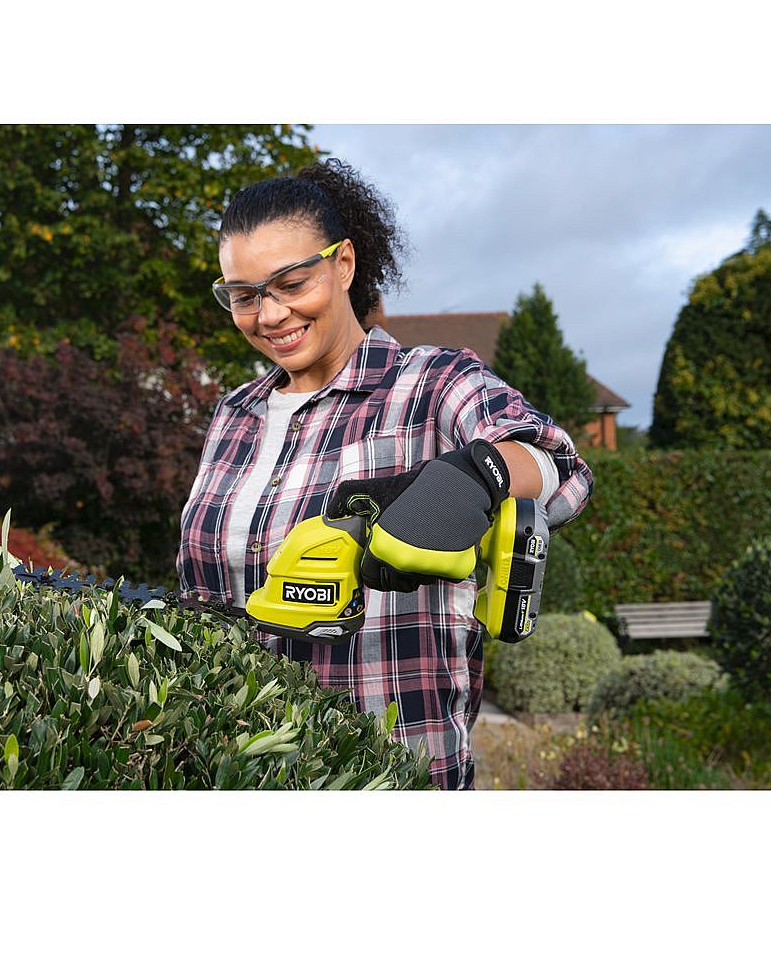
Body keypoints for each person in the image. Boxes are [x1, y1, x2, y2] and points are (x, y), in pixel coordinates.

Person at [176, 158, 594, 789]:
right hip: (235, 771)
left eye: (291, 283)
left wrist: (473, 476)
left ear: (343, 264)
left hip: (390, 772)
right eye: (244, 296)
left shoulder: (431, 383)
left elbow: (560, 465)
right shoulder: (235, 413)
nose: (269, 315)